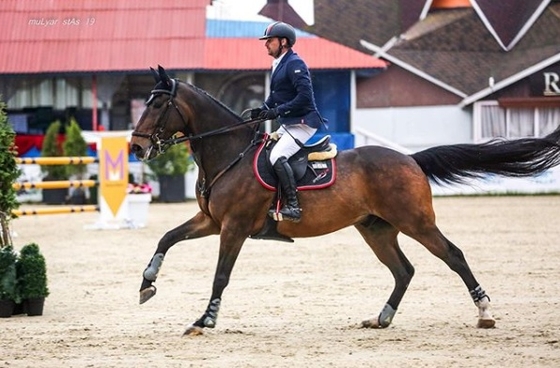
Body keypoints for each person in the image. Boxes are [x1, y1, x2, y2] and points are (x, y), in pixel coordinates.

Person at [251, 21, 327, 223]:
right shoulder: (279, 63)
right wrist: (262, 110)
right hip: (289, 123)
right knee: (265, 151)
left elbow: (305, 98)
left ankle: (293, 206)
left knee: (277, 156)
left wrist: (276, 112)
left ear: (283, 42)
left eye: (270, 41)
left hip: (303, 123)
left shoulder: (295, 63)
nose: (266, 44)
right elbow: (276, 95)